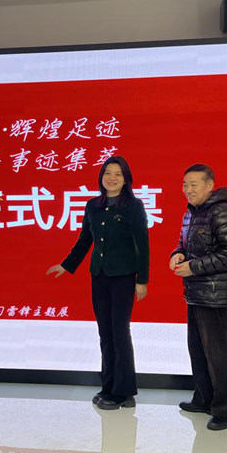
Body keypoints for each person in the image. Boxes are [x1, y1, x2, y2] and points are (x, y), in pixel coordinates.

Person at [46, 156, 149, 410]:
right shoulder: (93, 205)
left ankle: (123, 392)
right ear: (101, 177)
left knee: (120, 333)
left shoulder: (133, 206)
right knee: (105, 333)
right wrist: (66, 265)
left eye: (118, 174)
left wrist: (142, 280)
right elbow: (85, 240)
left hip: (123, 277)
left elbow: (142, 245)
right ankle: (108, 386)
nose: (111, 178)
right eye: (107, 173)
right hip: (99, 276)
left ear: (126, 180)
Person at [170, 164, 227, 430]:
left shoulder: (223, 211)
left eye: (194, 184)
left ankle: (225, 410)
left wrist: (194, 267)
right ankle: (204, 399)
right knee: (198, 350)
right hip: (195, 293)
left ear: (210, 185)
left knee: (219, 355)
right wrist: (177, 254)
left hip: (216, 295)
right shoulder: (191, 213)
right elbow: (184, 244)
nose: (188, 189)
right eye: (185, 184)